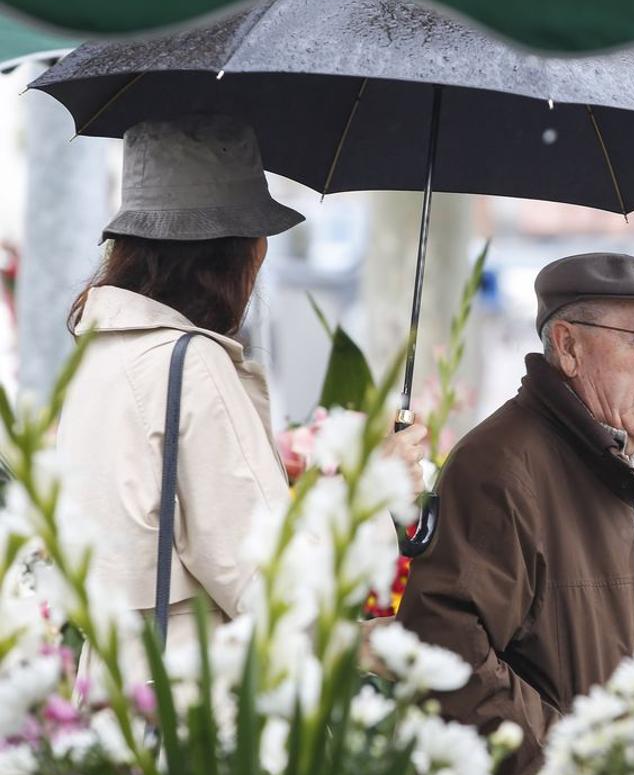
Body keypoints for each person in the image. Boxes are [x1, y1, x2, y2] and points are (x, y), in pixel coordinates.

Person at [58, 115, 427, 687]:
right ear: (233, 255)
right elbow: (268, 585)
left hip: (120, 694)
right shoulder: (189, 366)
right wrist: (373, 489)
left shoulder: (98, 357)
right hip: (199, 718)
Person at [397, 251, 634, 775]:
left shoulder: (608, 458)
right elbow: (448, 653)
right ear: (567, 346)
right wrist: (576, 772)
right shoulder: (502, 466)